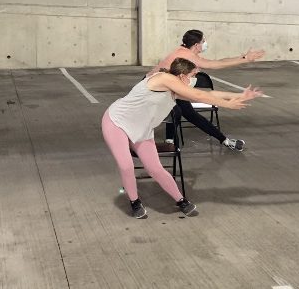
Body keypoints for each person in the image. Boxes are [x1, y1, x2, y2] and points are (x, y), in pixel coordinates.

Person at [103, 58, 263, 219]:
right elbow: (198, 95)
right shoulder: (163, 79)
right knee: (126, 166)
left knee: (155, 169)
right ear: (181, 75)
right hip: (117, 122)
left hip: (141, 129)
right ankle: (135, 202)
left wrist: (241, 95)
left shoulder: (178, 86)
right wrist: (227, 105)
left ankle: (180, 200)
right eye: (193, 75)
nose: (194, 79)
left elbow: (208, 94)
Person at [149, 29, 265, 151]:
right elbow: (216, 66)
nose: (205, 43)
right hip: (157, 89)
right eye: (203, 41)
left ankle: (224, 140)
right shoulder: (186, 56)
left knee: (187, 112)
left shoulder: (188, 53)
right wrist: (245, 59)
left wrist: (241, 94)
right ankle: (169, 141)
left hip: (170, 88)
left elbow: (216, 66)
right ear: (196, 45)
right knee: (176, 109)